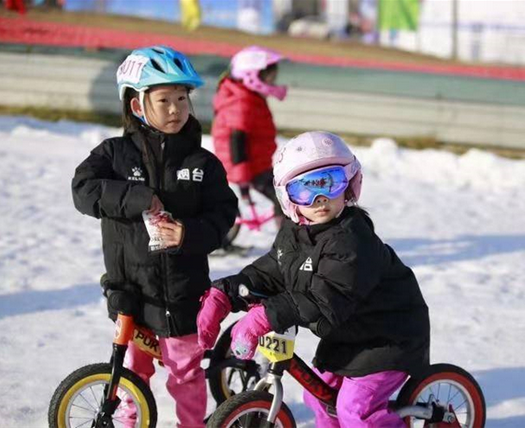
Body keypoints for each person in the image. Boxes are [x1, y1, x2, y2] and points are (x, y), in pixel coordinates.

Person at [197, 131, 430, 428]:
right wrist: (227, 292)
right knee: (318, 395)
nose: (320, 200)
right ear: (287, 198)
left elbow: (326, 299)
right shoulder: (295, 233)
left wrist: (267, 315)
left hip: (389, 336)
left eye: (330, 183)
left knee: (354, 411)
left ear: (350, 183)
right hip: (350, 336)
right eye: (305, 190)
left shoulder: (352, 240)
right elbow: (272, 271)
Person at [72, 45, 238, 428]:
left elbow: (223, 214)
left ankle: (192, 425)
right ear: (136, 106)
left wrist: (188, 233)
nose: (176, 108)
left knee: (186, 374)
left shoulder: (202, 163)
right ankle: (130, 422)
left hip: (183, 295)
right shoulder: (113, 155)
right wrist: (137, 197)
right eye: (163, 99)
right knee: (132, 373)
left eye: (182, 98)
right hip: (133, 292)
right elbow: (83, 190)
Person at [212, 45, 288, 239]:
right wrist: (243, 176)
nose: (273, 82)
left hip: (256, 163)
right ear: (252, 76)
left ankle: (287, 237)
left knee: (284, 195)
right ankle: (287, 241)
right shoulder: (241, 101)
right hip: (248, 166)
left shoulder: (248, 96)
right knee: (283, 198)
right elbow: (236, 140)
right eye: (269, 77)